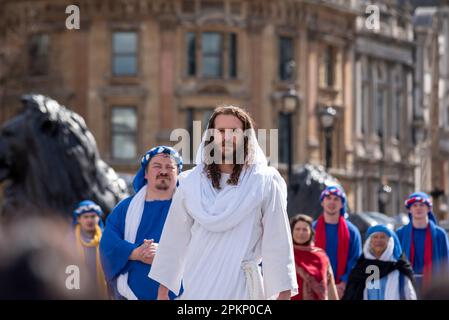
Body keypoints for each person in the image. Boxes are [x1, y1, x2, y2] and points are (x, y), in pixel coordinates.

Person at [149, 105, 298, 300]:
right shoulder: (190, 183)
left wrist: (283, 294)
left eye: (234, 131)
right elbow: (174, 240)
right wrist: (163, 292)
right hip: (198, 289)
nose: (227, 137)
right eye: (221, 131)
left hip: (243, 291)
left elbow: (277, 241)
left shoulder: (264, 183)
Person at [99, 146, 183, 300]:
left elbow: (204, 246)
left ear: (178, 174)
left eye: (170, 167)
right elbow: (107, 244)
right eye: (157, 166)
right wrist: (135, 253)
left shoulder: (190, 209)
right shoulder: (125, 209)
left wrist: (165, 253)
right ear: (145, 173)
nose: (163, 171)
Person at [343, 225, 417, 300]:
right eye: (375, 237)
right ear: (369, 241)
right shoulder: (361, 268)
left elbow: (410, 295)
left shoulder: (399, 267)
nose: (378, 240)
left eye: (382, 237)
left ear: (389, 241)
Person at [313, 185, 362, 298]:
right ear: (322, 202)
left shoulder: (352, 231)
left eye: (336, 199)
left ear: (342, 204)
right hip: (316, 286)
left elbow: (355, 260)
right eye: (328, 198)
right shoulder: (312, 229)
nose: (332, 202)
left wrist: (343, 284)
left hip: (344, 290)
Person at [396, 192, 449, 293]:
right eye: (414, 205)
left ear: (429, 209)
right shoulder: (400, 233)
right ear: (409, 210)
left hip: (433, 286)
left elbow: (445, 262)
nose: (418, 208)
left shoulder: (439, 234)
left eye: (422, 205)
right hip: (407, 285)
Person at [290, 214, 338, 300]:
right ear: (291, 231)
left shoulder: (321, 256)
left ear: (311, 232)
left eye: (305, 229)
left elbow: (330, 284)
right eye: (297, 229)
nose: (301, 233)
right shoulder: (287, 254)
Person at [72, 200, 108, 298]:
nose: (89, 220)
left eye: (93, 216)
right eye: (86, 217)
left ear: (98, 218)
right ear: (78, 219)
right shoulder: (70, 240)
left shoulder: (106, 239)